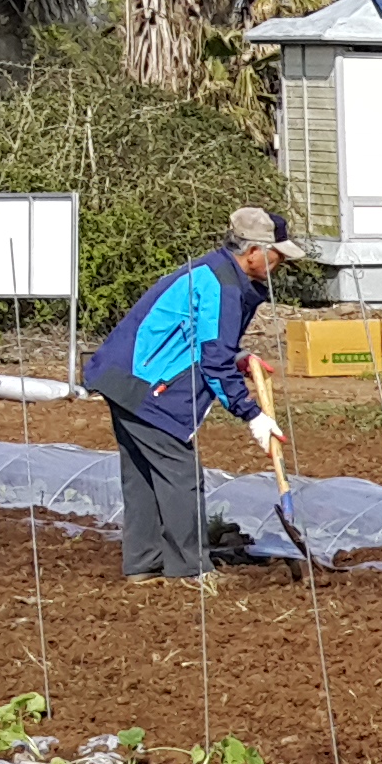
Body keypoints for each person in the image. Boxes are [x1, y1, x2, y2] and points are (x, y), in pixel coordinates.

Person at [85, 207, 296, 580]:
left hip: (123, 378)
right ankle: (191, 570)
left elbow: (206, 342)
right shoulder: (223, 286)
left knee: (143, 476)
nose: (279, 265)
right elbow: (212, 361)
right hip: (150, 387)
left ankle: (143, 563)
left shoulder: (213, 273)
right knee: (181, 476)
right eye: (277, 256)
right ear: (253, 252)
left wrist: (239, 357)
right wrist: (252, 415)